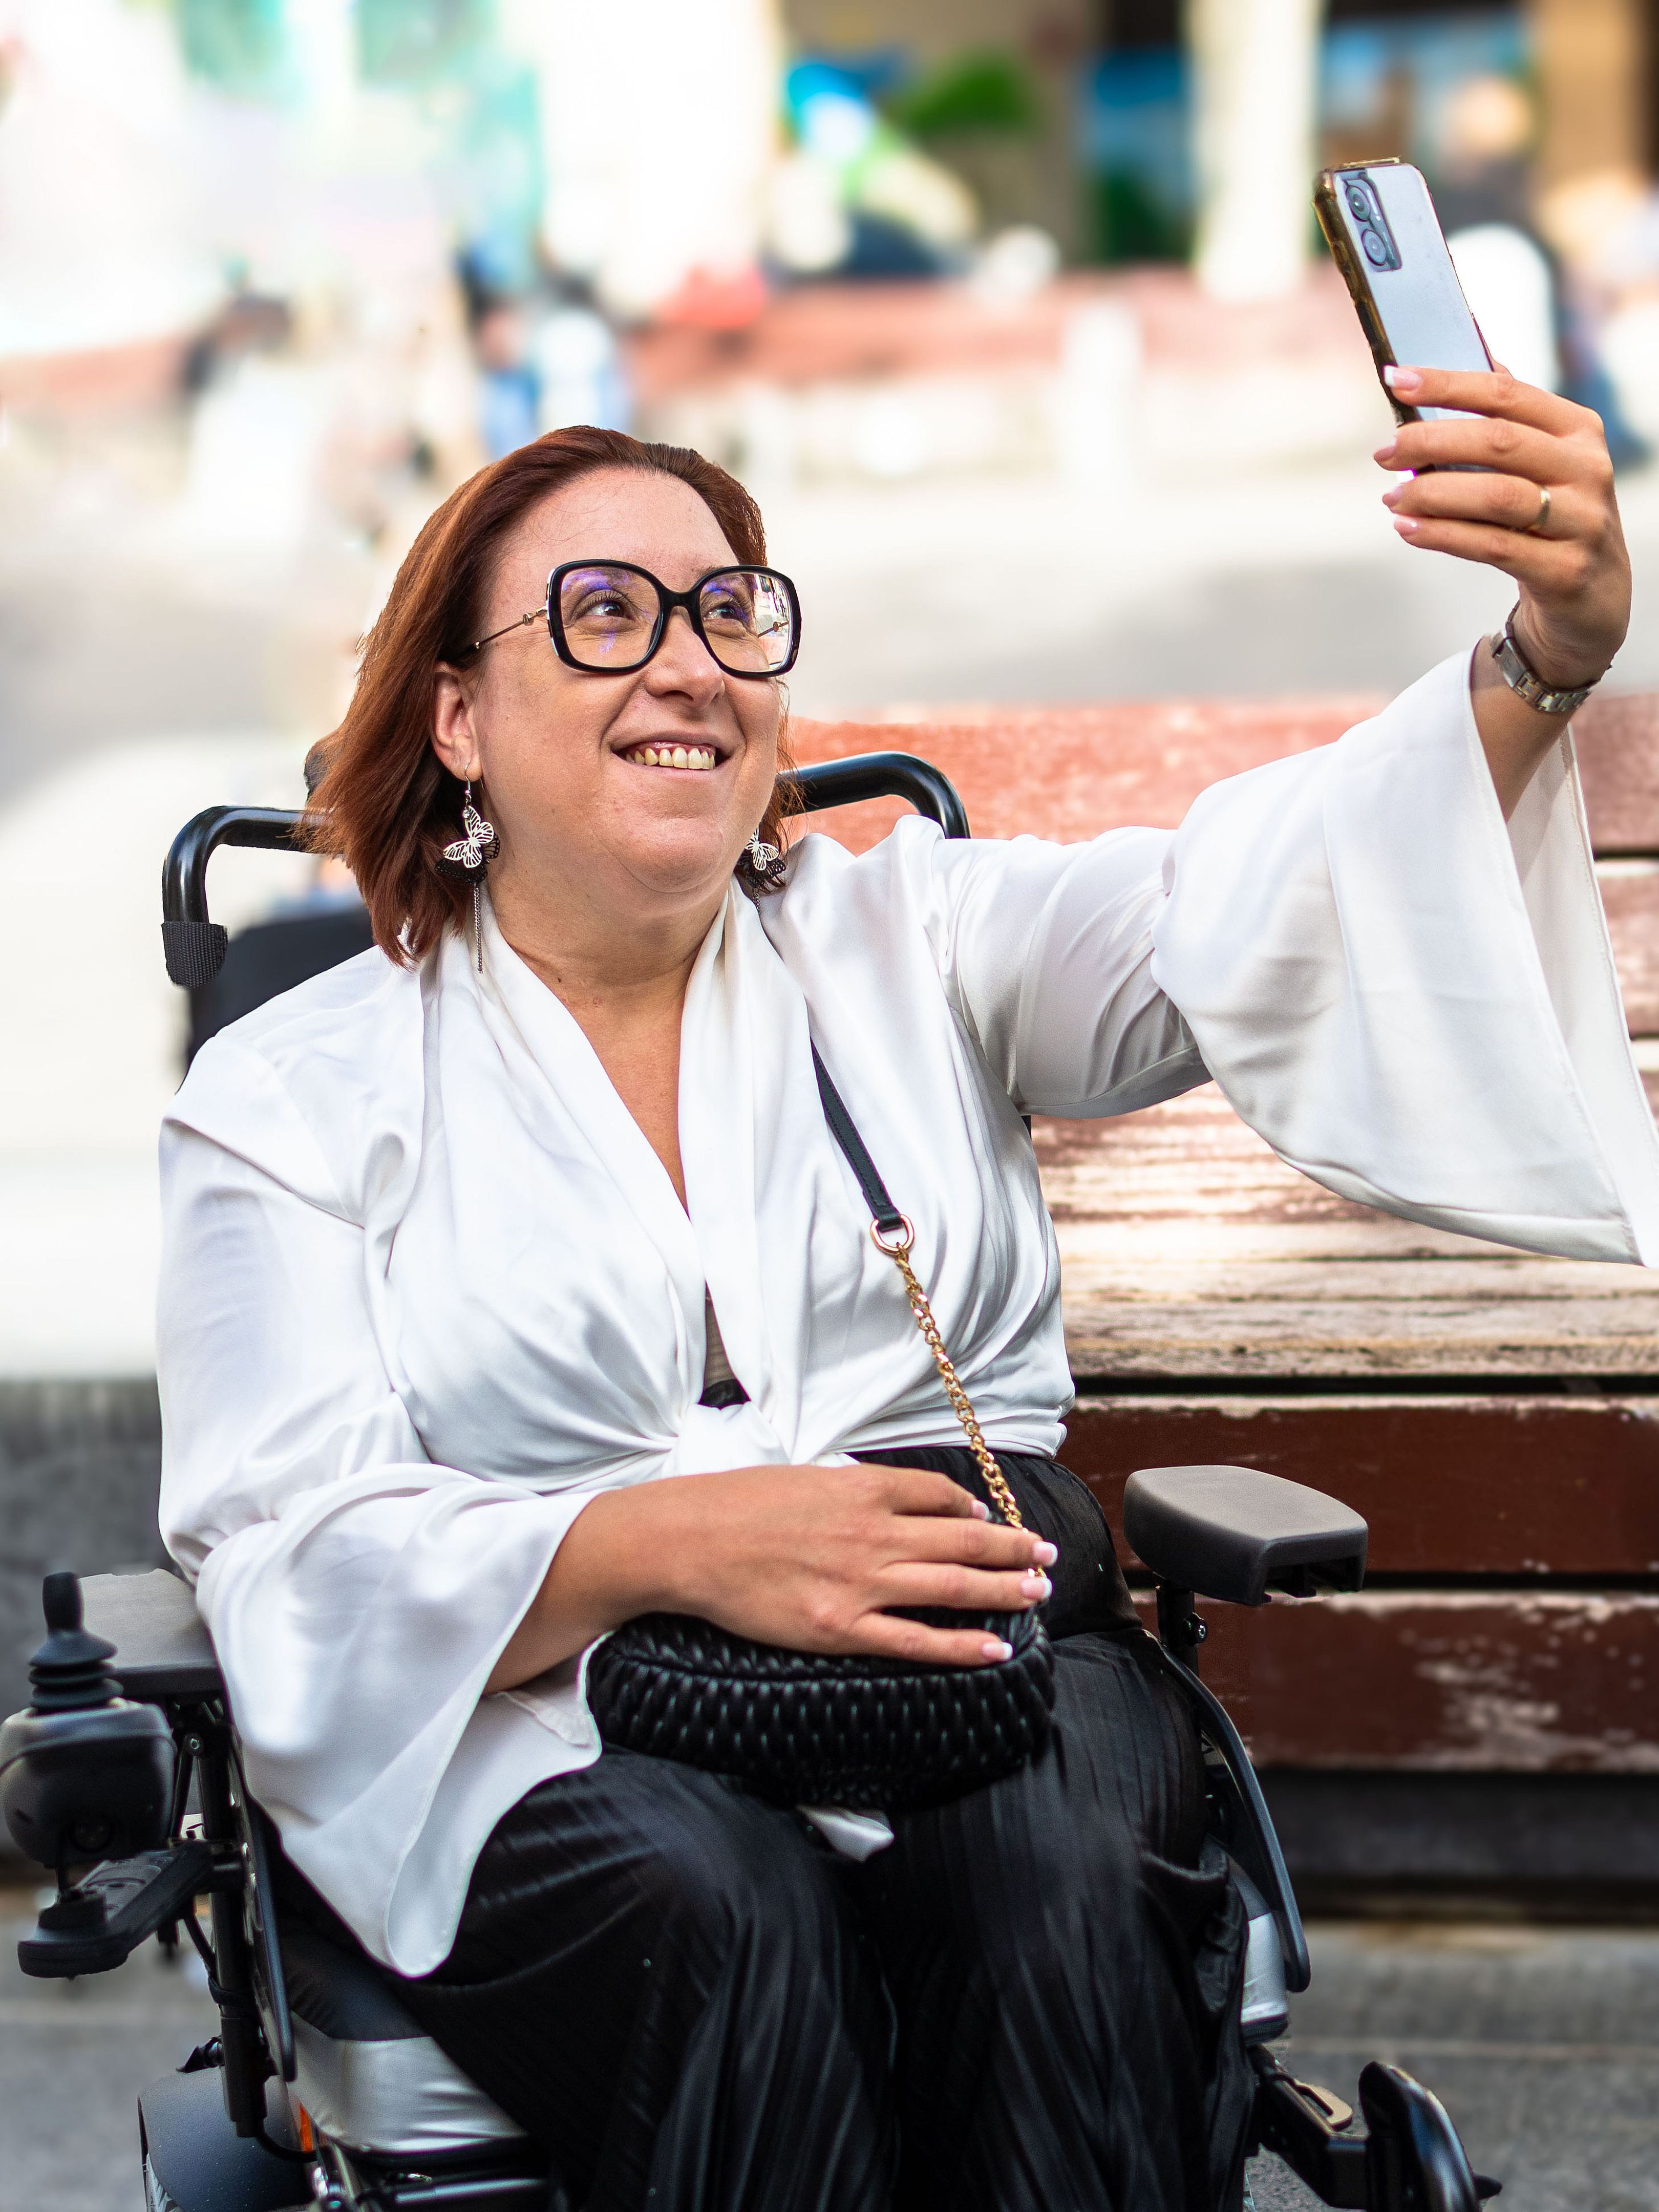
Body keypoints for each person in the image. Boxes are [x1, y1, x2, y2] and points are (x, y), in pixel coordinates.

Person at [158, 376, 1655, 2212]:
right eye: (606, 614)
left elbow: (1270, 898)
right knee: (722, 1907)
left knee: (1061, 1876)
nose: (691, 663)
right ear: (458, 715)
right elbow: (284, 1543)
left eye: (731, 612)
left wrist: (1542, 655)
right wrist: (667, 1547)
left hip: (973, 1657)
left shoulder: (917, 939)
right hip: (540, 1718)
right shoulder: (293, 1094)